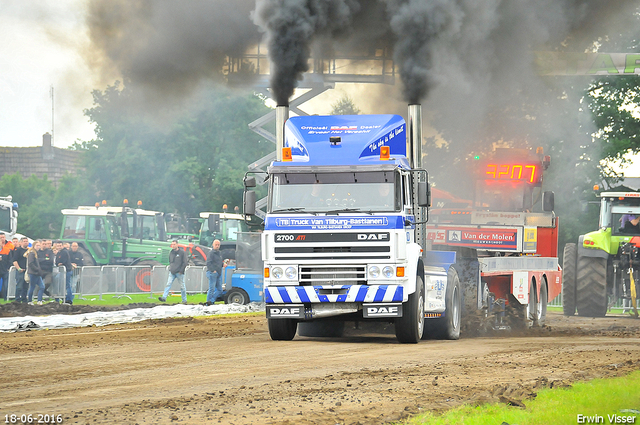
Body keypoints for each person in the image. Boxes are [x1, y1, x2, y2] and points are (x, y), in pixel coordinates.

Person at [55, 240, 74, 305]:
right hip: (62, 271)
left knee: (67, 286)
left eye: (60, 245)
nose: (59, 247)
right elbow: (57, 262)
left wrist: (60, 263)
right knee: (63, 285)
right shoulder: (58, 253)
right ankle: (63, 298)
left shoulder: (65, 252)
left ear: (62, 245)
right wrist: (58, 263)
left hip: (67, 271)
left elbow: (63, 261)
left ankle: (69, 300)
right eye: (58, 246)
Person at [205, 239, 224, 306]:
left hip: (218, 273)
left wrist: (223, 264)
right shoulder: (211, 253)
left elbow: (218, 263)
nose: (217, 246)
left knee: (220, 290)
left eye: (218, 245)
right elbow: (208, 263)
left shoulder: (219, 253)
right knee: (211, 289)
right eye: (216, 244)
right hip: (212, 273)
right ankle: (208, 303)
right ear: (213, 245)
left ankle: (211, 301)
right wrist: (213, 270)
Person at [26, 240, 45, 305]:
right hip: (33, 273)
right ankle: (30, 301)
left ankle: (39, 300)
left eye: (39, 245)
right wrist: (37, 269)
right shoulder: (32, 253)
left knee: (42, 287)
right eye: (37, 245)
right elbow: (30, 263)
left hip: (37, 273)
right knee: (32, 287)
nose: (38, 247)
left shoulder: (35, 253)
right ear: (33, 246)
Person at [12, 237, 29, 303]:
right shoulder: (18, 250)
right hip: (20, 271)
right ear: (21, 242)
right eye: (24, 241)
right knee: (19, 285)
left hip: (27, 271)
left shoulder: (28, 251)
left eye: (27, 241)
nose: (26, 242)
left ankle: (24, 299)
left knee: (26, 286)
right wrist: (19, 268)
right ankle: (17, 299)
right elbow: (14, 261)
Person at [0, 232, 15, 300]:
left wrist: (9, 267)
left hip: (5, 268)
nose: (2, 239)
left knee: (6, 284)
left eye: (3, 237)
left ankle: (5, 297)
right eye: (1, 238)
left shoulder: (9, 246)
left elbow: (10, 258)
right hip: (2, 267)